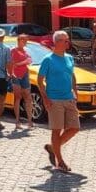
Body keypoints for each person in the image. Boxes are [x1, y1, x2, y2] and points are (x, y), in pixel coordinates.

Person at [38, 30, 80, 173]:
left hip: (69, 98)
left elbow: (72, 75)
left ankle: (52, 148)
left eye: (67, 40)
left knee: (74, 128)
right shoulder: (48, 59)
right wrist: (45, 97)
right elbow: (39, 80)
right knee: (57, 130)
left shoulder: (69, 58)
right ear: (56, 42)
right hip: (54, 99)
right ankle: (59, 161)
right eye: (65, 40)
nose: (68, 42)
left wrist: (75, 90)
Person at [11, 34, 33, 129]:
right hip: (16, 75)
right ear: (19, 40)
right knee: (18, 97)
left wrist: (24, 62)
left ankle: (30, 121)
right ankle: (17, 121)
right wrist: (24, 62)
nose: (25, 42)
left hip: (25, 74)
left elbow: (30, 60)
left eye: (26, 40)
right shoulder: (13, 51)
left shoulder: (25, 51)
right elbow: (13, 64)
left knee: (28, 97)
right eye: (24, 40)